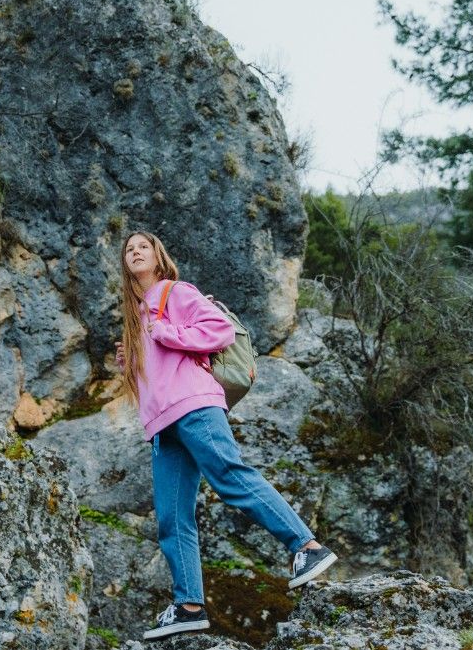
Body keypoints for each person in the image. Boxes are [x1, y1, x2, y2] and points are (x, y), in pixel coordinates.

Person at [114, 230, 338, 641]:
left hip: (196, 406)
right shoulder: (137, 316)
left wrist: (169, 335)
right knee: (171, 517)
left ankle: (307, 548)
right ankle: (189, 606)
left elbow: (219, 329)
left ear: (159, 257)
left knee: (231, 477)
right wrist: (131, 361)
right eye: (129, 249)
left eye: (143, 246)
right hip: (164, 428)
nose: (135, 251)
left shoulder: (174, 292)